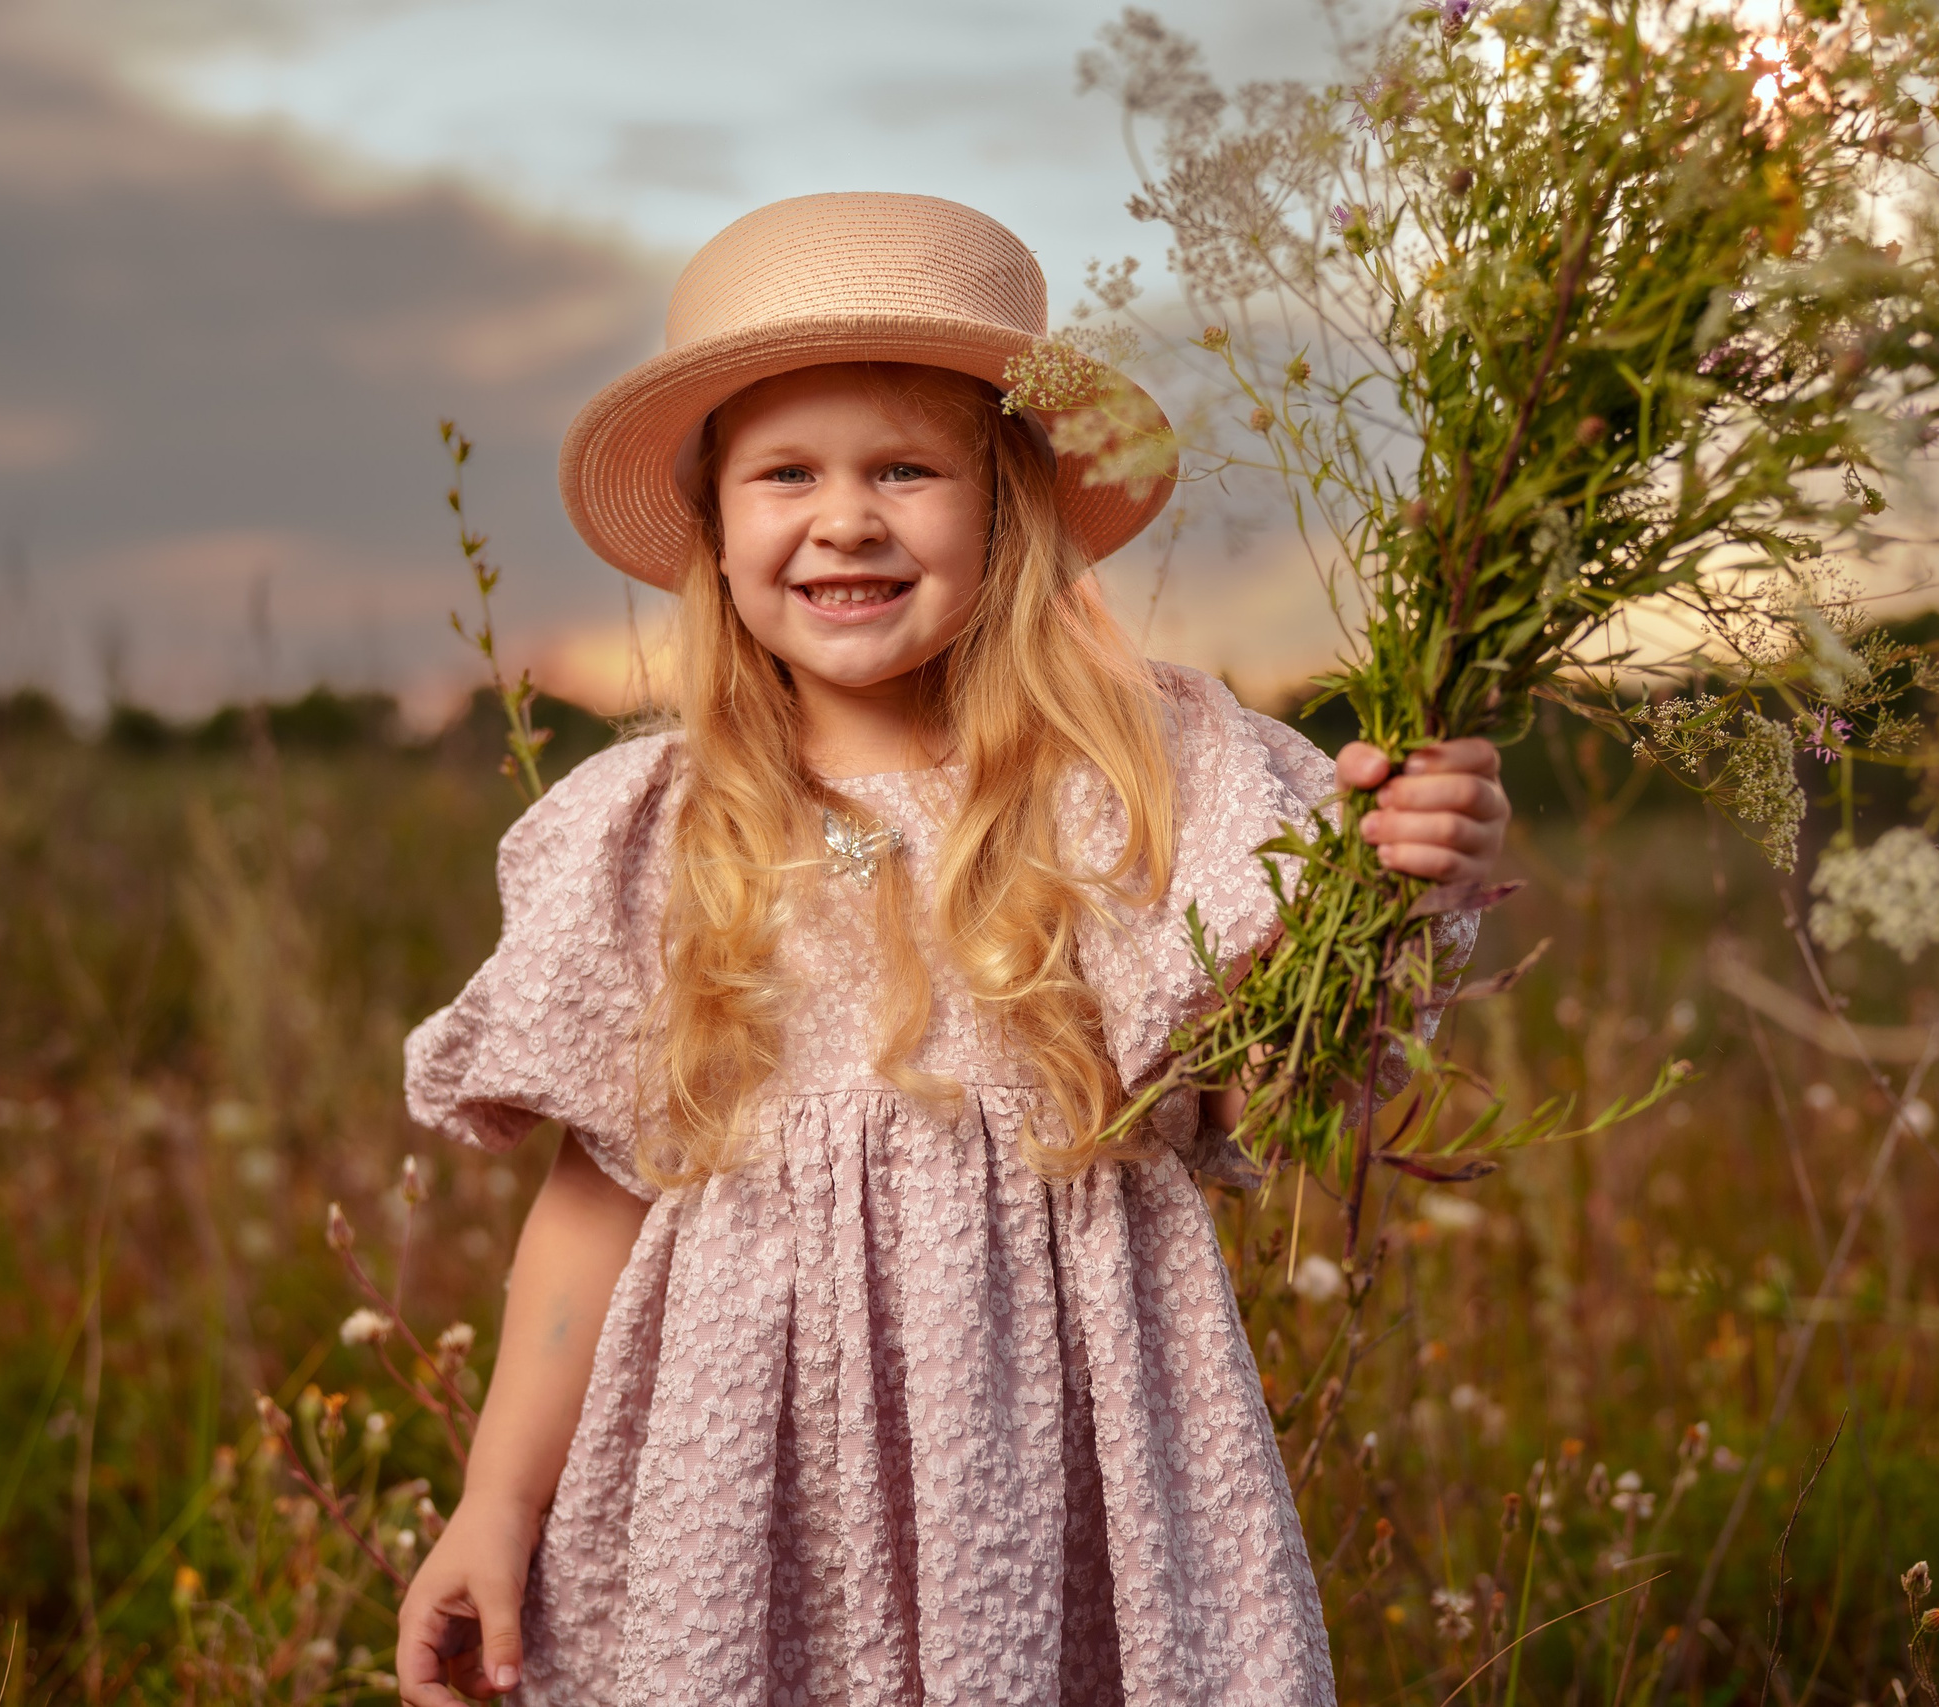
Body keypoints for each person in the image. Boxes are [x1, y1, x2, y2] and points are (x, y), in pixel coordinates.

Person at [394, 192, 1511, 1707]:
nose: (845, 519)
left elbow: (1279, 1074)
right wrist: (496, 1503)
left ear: (1007, 505)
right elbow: (590, 1213)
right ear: (716, 528)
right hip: (742, 1486)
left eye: (906, 470)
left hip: (1064, 1460)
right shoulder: (662, 830)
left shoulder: (1141, 785)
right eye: (787, 473)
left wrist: (1393, 885)